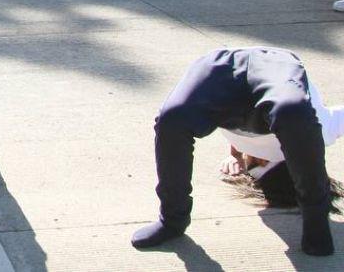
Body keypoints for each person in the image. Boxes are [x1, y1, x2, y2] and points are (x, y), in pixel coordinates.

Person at [131, 46, 341, 257]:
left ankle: (171, 221)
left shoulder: (257, 148)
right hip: (275, 65)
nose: (253, 167)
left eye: (254, 169)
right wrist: (236, 155)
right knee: (293, 114)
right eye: (259, 167)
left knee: (172, 120)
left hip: (221, 69)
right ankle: (316, 223)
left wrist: (235, 156)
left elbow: (244, 137)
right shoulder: (321, 131)